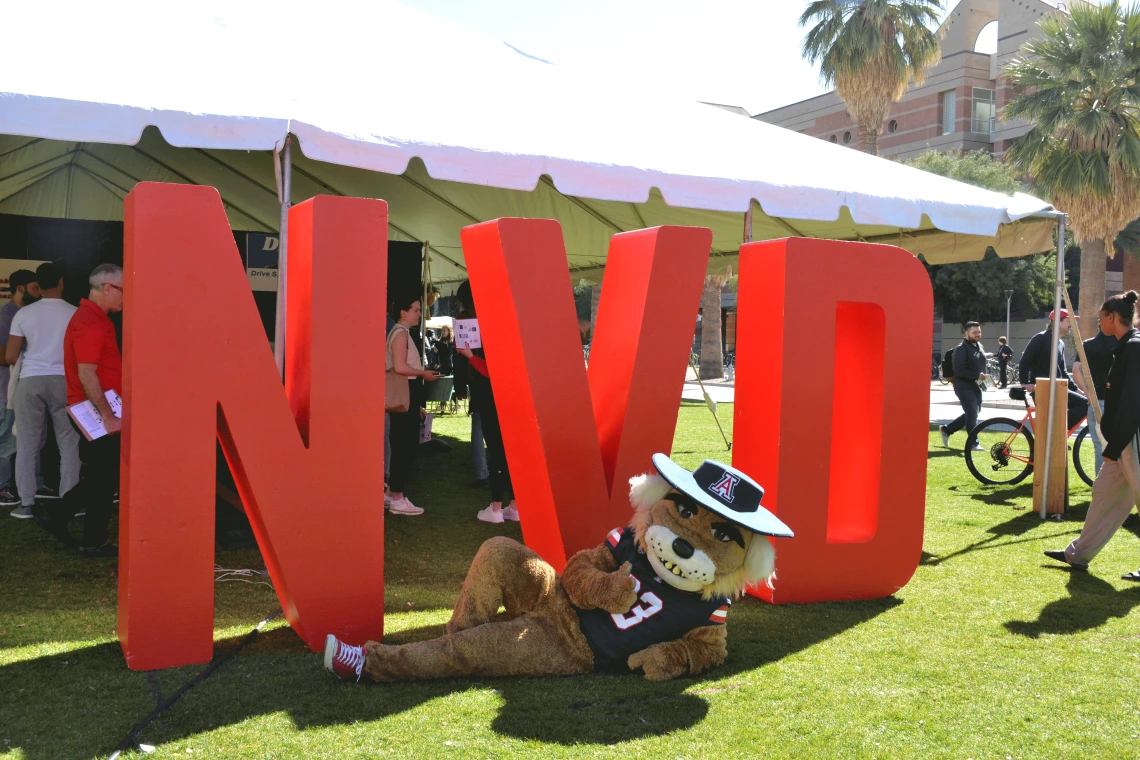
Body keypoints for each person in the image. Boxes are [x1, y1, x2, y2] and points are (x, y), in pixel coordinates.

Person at [1043, 292, 1140, 577]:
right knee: (1103, 495)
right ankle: (1078, 554)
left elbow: (1132, 403)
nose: (1099, 322)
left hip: (1131, 439)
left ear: (1112, 317)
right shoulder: (1127, 347)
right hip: (1123, 440)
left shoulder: (1133, 347)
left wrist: (1115, 445)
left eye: (1101, 317)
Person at [37, 264, 124, 557]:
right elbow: (87, 373)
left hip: (93, 407)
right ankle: (76, 527)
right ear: (108, 288)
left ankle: (71, 523)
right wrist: (108, 416)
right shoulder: (90, 322)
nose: (128, 298)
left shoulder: (95, 318)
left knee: (103, 475)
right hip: (94, 409)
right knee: (104, 476)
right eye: (125, 291)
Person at [6, 263, 79, 519]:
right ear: (61, 282)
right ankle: (70, 500)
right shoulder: (75, 313)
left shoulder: (24, 314)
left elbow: (11, 355)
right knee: (69, 443)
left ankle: (27, 503)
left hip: (31, 380)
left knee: (27, 443)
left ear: (38, 285)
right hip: (64, 381)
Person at [452, 280, 518, 524]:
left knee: (497, 450)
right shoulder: (507, 323)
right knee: (509, 450)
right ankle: (513, 505)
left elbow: (493, 370)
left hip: (490, 393)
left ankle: (497, 508)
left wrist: (469, 357)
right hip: (511, 395)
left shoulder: (480, 324)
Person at [385, 295, 440, 516]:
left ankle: (392, 494)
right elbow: (399, 367)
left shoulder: (401, 333)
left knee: (403, 445)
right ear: (403, 313)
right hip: (404, 394)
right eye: (416, 310)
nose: (420, 313)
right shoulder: (400, 334)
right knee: (405, 447)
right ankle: (397, 497)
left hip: (407, 396)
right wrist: (423, 374)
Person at [0, 270, 40, 508]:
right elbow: (4, 355)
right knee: (6, 440)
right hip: (6, 390)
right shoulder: (7, 314)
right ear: (21, 289)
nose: (40, 292)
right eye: (35, 287)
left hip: (20, 389)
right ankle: (2, 487)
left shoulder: (26, 313)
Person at [1018, 309, 1087, 430]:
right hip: (1043, 388)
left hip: (1057, 388)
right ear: (1057, 322)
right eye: (1069, 320)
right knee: (1085, 404)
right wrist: (1025, 383)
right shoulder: (1040, 338)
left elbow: (1063, 372)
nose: (1072, 324)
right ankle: (1057, 433)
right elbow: (1024, 361)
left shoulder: (1060, 343)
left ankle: (1055, 435)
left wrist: (1077, 390)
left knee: (1084, 402)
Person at [452, 291, 489, 488]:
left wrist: (460, 386)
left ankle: (483, 473)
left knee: (480, 425)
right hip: (486, 375)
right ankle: (494, 470)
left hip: (478, 376)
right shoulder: (491, 315)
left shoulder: (463, 319)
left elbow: (459, 355)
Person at [1072, 324, 1118, 477]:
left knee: (1099, 447)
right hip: (1118, 401)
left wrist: (1087, 392)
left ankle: (1100, 488)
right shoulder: (1123, 343)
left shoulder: (1088, 344)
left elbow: (1075, 369)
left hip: (1097, 399)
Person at [940, 322, 987, 450]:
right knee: (972, 412)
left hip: (977, 386)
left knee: (974, 412)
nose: (977, 335)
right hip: (963, 386)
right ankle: (973, 443)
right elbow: (959, 370)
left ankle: (947, 429)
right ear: (967, 333)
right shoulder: (960, 349)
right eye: (974, 332)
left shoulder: (979, 346)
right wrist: (977, 375)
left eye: (979, 332)